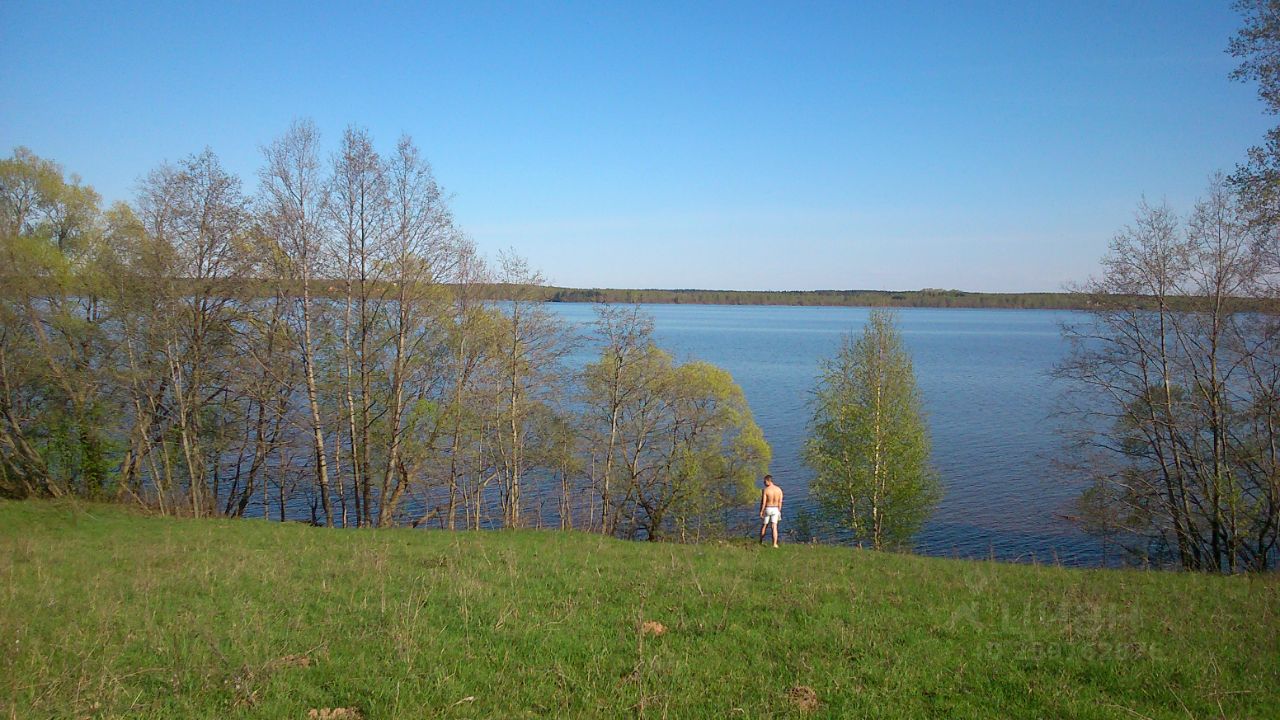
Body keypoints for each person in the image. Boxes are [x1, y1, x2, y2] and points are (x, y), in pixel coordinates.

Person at [759, 474, 783, 547]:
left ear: (768, 481)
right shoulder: (779, 490)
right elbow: (780, 502)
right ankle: (775, 544)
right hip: (776, 509)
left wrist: (761, 511)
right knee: (774, 527)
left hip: (768, 508)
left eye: (764, 481)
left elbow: (764, 502)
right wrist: (779, 510)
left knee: (765, 525)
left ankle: (761, 541)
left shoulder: (766, 490)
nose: (764, 483)